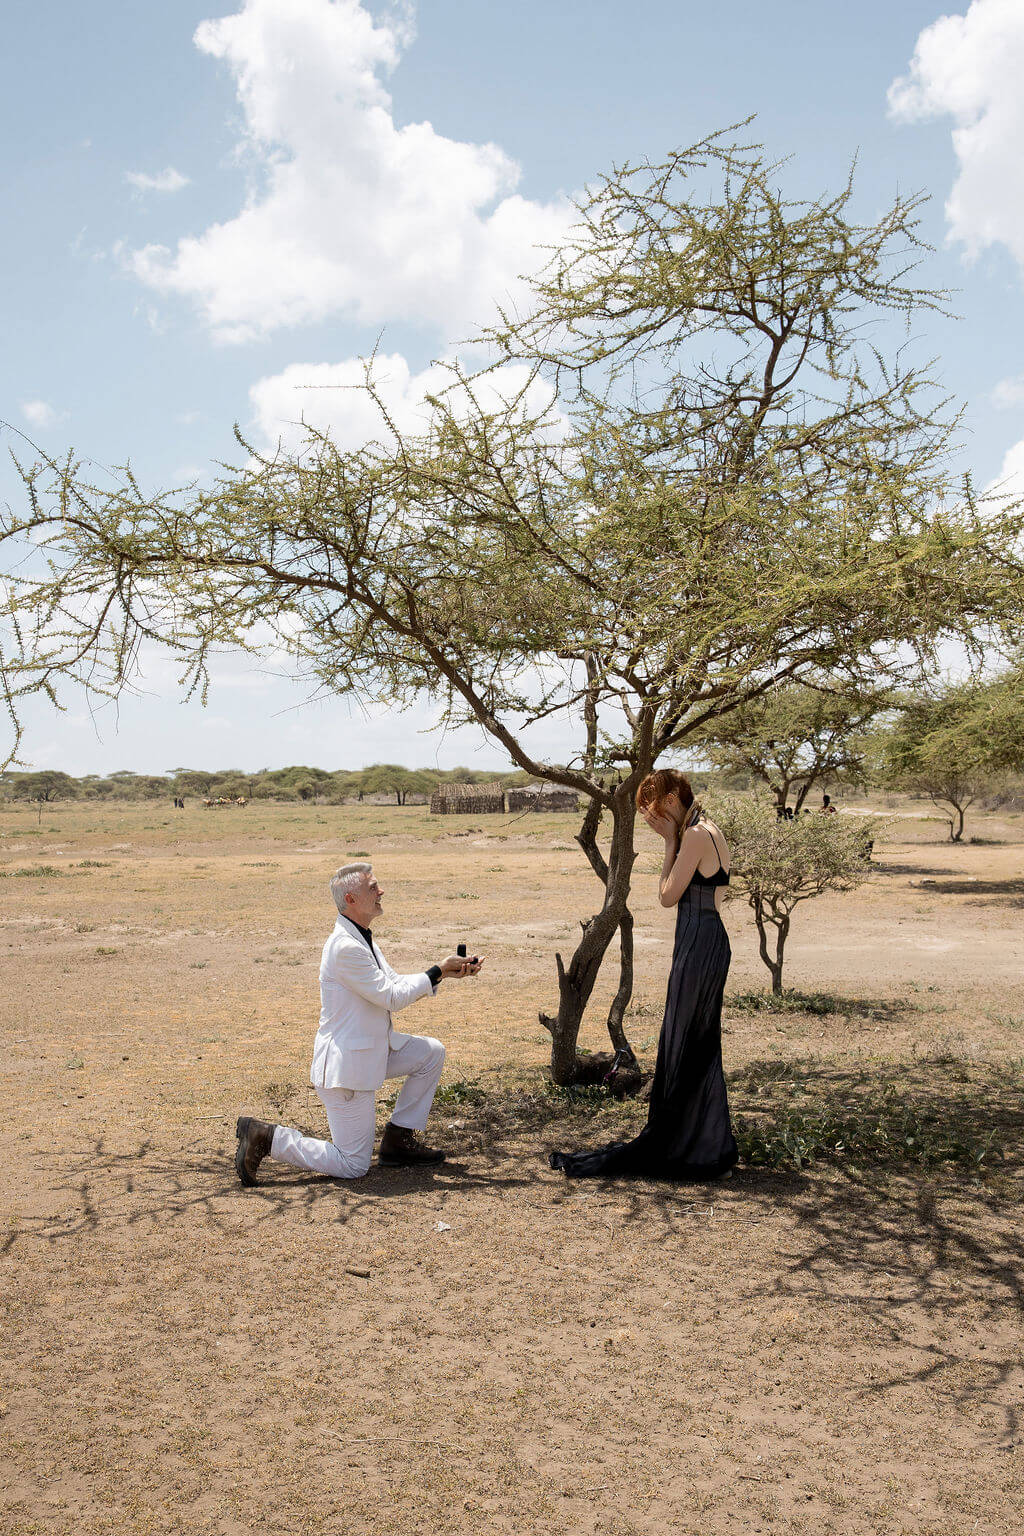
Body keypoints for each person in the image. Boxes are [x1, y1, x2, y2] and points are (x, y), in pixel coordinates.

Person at [234, 861, 482, 1186]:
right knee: (352, 1164)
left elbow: (392, 983)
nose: (381, 892)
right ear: (351, 899)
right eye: (372, 888)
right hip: (347, 1071)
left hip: (371, 1051)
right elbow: (391, 997)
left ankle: (398, 1142)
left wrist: (445, 973)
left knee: (430, 1053)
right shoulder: (346, 947)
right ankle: (267, 1137)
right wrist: (437, 969)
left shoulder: (362, 938)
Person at [549, 770, 737, 1181]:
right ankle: (697, 1141)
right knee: (692, 1041)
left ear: (671, 801)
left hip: (699, 942)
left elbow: (668, 896)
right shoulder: (709, 828)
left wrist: (670, 842)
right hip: (706, 939)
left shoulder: (695, 835)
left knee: (686, 1041)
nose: (651, 818)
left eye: (652, 809)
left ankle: (687, 1145)